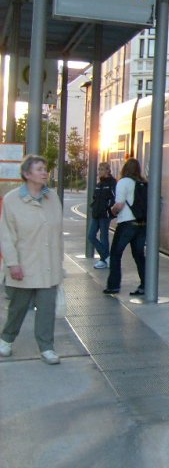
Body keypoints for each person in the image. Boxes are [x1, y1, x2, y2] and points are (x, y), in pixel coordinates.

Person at [0, 155, 64, 365]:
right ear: (26, 174)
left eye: (45, 168)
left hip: (48, 265)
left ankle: (46, 347)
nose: (44, 172)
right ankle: (7, 339)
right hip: (23, 264)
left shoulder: (52, 197)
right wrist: (12, 263)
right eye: (39, 169)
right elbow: (6, 235)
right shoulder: (12, 199)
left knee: (46, 308)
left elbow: (57, 232)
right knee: (18, 307)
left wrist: (59, 263)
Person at [105, 158, 146, 296]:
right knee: (139, 256)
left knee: (115, 254)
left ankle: (113, 285)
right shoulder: (143, 183)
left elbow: (120, 204)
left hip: (126, 224)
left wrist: (112, 211)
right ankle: (145, 285)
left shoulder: (123, 182)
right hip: (141, 224)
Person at [87, 162, 116, 269]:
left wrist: (107, 209)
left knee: (104, 237)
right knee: (91, 236)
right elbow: (95, 198)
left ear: (108, 170)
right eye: (99, 169)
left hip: (105, 214)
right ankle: (107, 257)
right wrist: (93, 207)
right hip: (96, 214)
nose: (99, 171)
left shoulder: (112, 183)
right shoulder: (99, 184)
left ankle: (103, 260)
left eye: (101, 169)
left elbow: (114, 199)